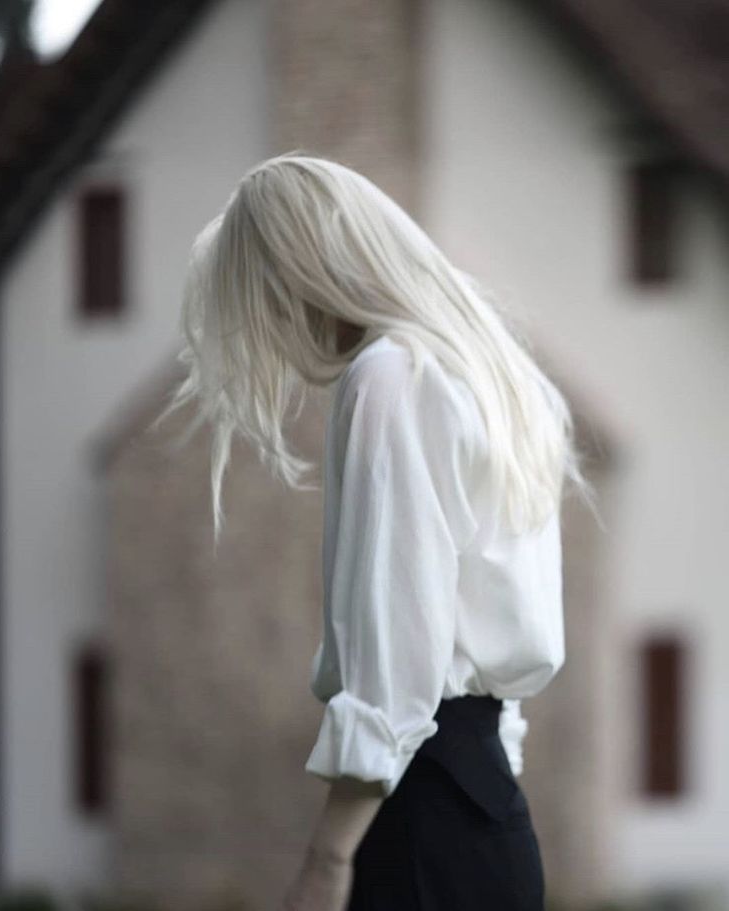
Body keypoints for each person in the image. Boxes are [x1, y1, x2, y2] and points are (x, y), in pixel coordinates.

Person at [153, 151, 599, 910]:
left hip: (422, 822)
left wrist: (326, 861)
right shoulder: (481, 374)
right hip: (487, 812)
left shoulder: (388, 379)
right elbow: (482, 640)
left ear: (294, 275)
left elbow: (400, 663)